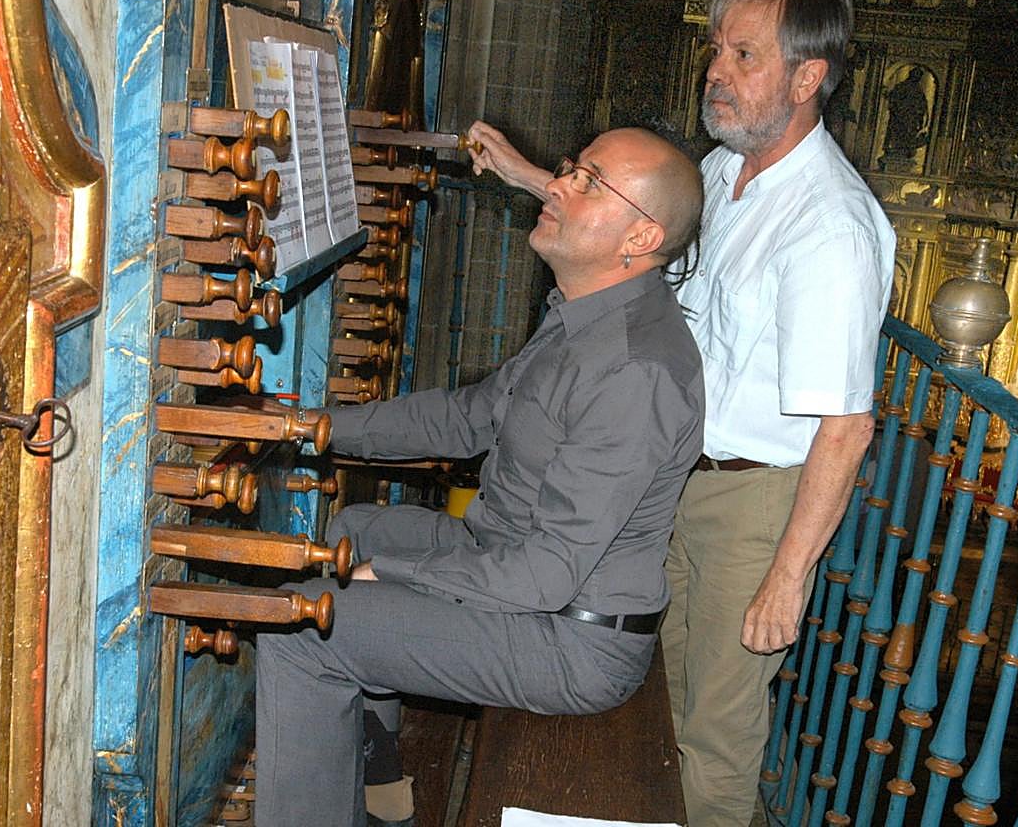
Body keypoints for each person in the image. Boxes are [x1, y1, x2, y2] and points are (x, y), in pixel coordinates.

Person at [468, 0, 896, 823]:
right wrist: (530, 177)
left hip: (754, 501)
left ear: (808, 76)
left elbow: (846, 427)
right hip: (676, 476)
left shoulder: (832, 227)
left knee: (716, 739)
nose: (718, 74)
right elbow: (635, 235)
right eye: (718, 52)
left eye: (745, 57)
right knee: (653, 701)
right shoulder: (721, 168)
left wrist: (786, 577)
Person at [256, 126, 706, 827]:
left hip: (570, 638)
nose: (556, 185)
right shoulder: (582, 316)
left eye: (589, 182)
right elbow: (467, 419)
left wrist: (398, 574)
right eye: (572, 168)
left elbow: (543, 575)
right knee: (352, 527)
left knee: (300, 628)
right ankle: (381, 793)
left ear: (640, 237)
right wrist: (308, 426)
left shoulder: (635, 372)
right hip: (509, 564)